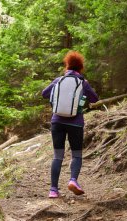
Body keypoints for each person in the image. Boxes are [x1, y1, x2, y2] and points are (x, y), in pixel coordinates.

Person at [42, 51, 99, 198]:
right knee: (77, 155)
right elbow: (94, 99)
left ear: (67, 66)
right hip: (76, 123)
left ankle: (53, 190)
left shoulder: (58, 80)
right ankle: (73, 180)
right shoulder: (82, 82)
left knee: (57, 156)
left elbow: (44, 93)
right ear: (80, 68)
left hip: (57, 122)